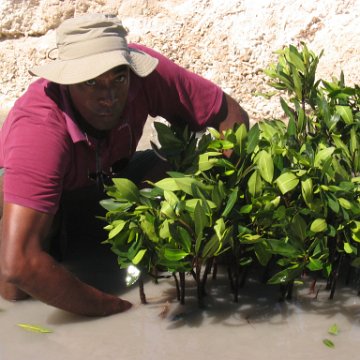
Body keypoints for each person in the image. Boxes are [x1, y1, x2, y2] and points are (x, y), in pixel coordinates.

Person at [0, 13, 249, 316]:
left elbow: (229, 113)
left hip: (103, 178)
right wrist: (112, 309)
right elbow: (19, 264)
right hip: (40, 198)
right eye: (91, 82)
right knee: (14, 290)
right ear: (67, 83)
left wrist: (234, 206)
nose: (108, 96)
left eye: (118, 78)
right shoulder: (40, 128)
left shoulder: (147, 74)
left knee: (192, 161)